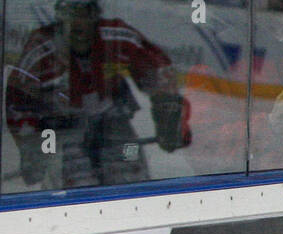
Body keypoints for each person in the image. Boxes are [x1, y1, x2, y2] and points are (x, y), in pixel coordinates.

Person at [4, 0, 191, 189]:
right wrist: (30, 144)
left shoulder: (117, 36)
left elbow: (159, 70)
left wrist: (170, 117)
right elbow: (18, 100)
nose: (78, 23)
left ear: (95, 15)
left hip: (113, 123)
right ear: (60, 18)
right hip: (62, 129)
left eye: (85, 13)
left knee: (131, 180)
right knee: (76, 189)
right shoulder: (41, 48)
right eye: (72, 15)